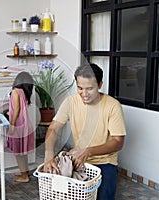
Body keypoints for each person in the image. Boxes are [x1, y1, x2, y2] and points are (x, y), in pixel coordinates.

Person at [43, 63, 126, 200]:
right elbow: (53, 128)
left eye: (90, 89)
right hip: (77, 160)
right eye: (80, 88)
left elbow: (118, 142)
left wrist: (88, 151)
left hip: (105, 162)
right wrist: (48, 154)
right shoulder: (71, 102)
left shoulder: (112, 106)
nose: (84, 94)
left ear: (100, 85)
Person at [5, 71, 35, 183]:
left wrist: (12, 125)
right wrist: (10, 112)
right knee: (23, 151)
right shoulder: (24, 92)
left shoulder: (15, 92)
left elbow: (16, 109)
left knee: (18, 153)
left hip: (18, 125)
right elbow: (19, 108)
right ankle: (25, 172)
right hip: (26, 125)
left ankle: (24, 177)